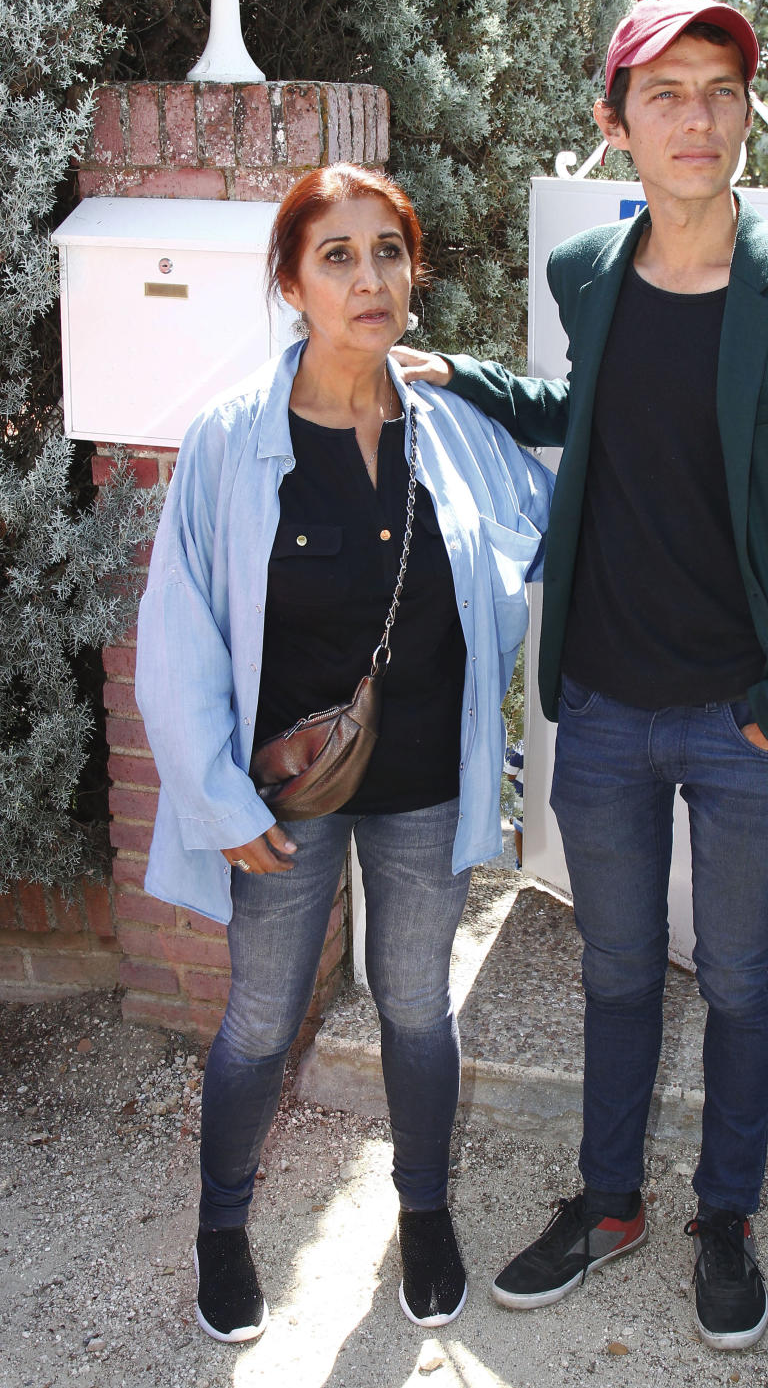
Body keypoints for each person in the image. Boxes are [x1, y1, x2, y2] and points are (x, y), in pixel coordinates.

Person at [394, 0, 768, 1350]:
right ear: (615, 124)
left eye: (721, 91)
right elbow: (594, 408)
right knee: (618, 969)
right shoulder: (595, 277)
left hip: (749, 717)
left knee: (738, 977)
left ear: (744, 115)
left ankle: (723, 1215)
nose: (700, 118)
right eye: (666, 93)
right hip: (609, 703)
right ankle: (607, 1199)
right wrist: (475, 381)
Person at [135, 164, 552, 1343]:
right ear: (291, 283)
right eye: (337, 255)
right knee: (261, 1018)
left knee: (419, 1007)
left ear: (413, 273)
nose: (369, 278)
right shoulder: (230, 439)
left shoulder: (453, 422)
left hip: (426, 780)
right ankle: (223, 1228)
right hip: (285, 797)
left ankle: (423, 1215)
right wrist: (217, 800)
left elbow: (565, 490)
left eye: (389, 252)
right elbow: (178, 629)